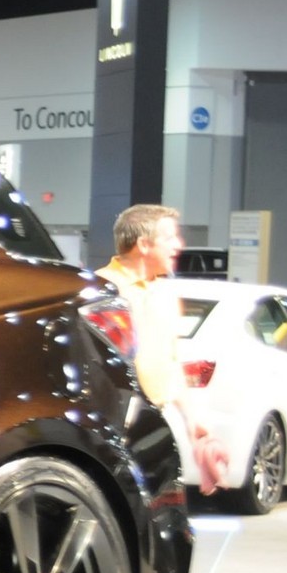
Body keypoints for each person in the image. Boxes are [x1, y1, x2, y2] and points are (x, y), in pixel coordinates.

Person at [96, 203, 230, 492]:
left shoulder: (165, 294)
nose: (178, 246)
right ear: (143, 244)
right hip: (108, 427)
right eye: (170, 238)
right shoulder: (103, 289)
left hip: (150, 422)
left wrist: (196, 426)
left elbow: (171, 362)